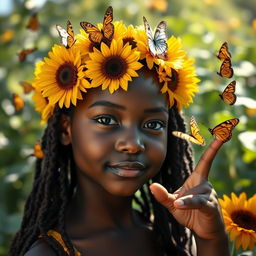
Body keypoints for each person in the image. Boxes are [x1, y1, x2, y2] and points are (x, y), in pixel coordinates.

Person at [10, 7, 230, 256]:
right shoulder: (49, 254)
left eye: (154, 124)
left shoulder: (175, 239)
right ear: (66, 130)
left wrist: (212, 240)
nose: (133, 143)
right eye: (106, 119)